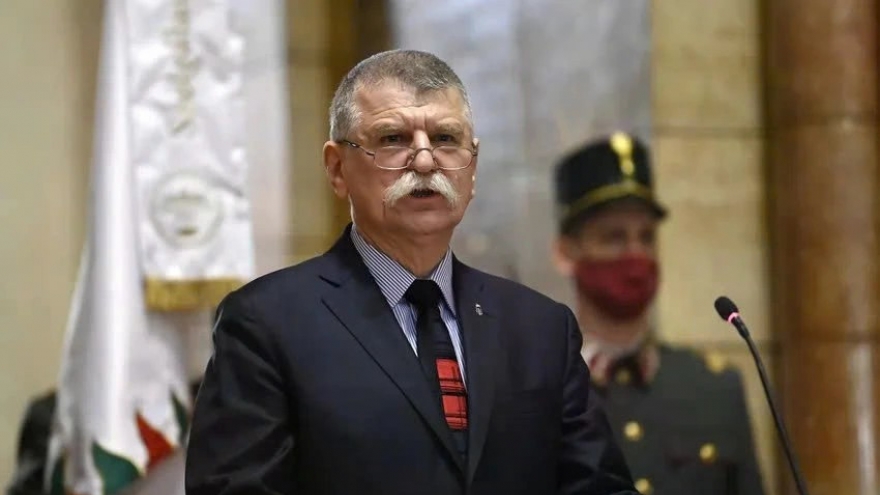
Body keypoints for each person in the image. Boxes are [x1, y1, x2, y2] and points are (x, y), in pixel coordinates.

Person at [185, 49, 638, 495]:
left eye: (445, 139)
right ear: (337, 169)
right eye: (392, 139)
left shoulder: (541, 328)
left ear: (473, 167)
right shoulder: (267, 324)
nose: (424, 161)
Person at [550, 132, 766, 495]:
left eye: (647, 237)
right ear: (565, 253)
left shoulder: (712, 388)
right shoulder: (537, 391)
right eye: (614, 237)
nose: (635, 255)